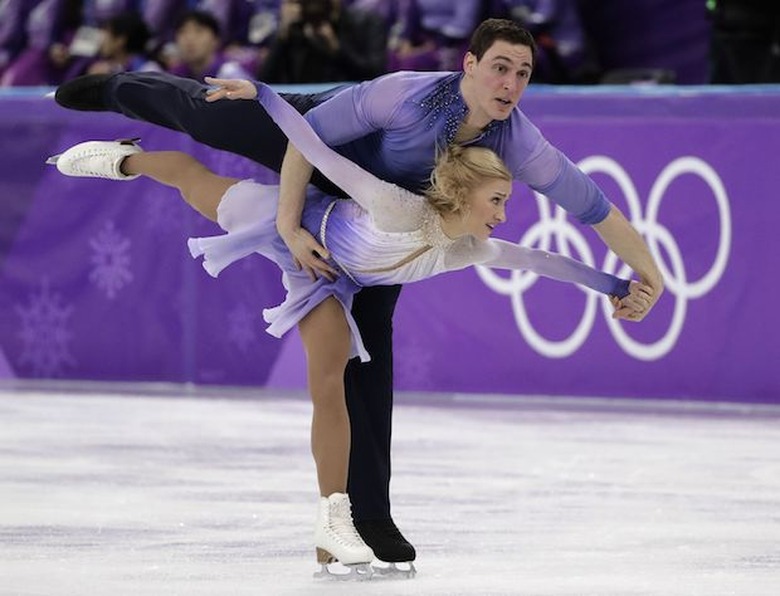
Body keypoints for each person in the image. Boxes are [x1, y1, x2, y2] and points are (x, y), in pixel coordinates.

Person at [52, 18, 665, 568]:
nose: (510, 83)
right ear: (470, 66)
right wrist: (290, 226)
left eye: (523, 73)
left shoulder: (519, 142)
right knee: (206, 112)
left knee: (370, 365)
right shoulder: (405, 94)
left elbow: (597, 212)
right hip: (319, 148)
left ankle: (369, 516)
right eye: (500, 67)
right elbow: (307, 141)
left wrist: (648, 277)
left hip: (380, 227)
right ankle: (118, 88)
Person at [260, 0, 388, 84]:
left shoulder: (366, 23)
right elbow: (265, 81)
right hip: (301, 110)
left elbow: (375, 74)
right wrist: (283, 35)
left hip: (350, 106)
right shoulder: (294, 29)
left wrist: (337, 49)